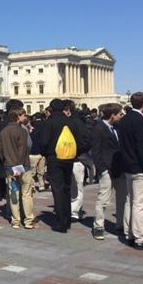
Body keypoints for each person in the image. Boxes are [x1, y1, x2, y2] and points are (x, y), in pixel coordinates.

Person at [39, 99, 89, 233]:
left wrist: (46, 154)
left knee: (58, 189)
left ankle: (62, 222)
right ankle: (67, 220)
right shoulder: (72, 122)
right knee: (66, 188)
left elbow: (43, 142)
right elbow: (83, 140)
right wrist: (75, 153)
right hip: (69, 158)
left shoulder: (49, 122)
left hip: (54, 158)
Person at [117, 92, 143, 250]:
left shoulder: (125, 119)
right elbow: (141, 147)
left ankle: (129, 233)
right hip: (139, 167)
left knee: (130, 201)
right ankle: (140, 237)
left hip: (128, 167)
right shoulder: (139, 120)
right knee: (140, 204)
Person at [91, 103, 126, 240]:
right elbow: (96, 151)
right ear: (112, 115)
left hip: (119, 168)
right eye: (119, 114)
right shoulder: (99, 128)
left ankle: (121, 224)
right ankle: (98, 226)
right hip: (106, 168)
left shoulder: (117, 127)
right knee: (103, 199)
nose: (121, 116)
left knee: (122, 198)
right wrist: (101, 170)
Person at [0, 108, 35, 229]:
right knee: (26, 193)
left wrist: (6, 160)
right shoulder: (22, 131)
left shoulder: (3, 132)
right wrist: (18, 166)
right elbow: (23, 149)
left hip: (9, 166)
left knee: (13, 193)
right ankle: (28, 220)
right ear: (18, 117)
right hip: (23, 166)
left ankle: (16, 221)